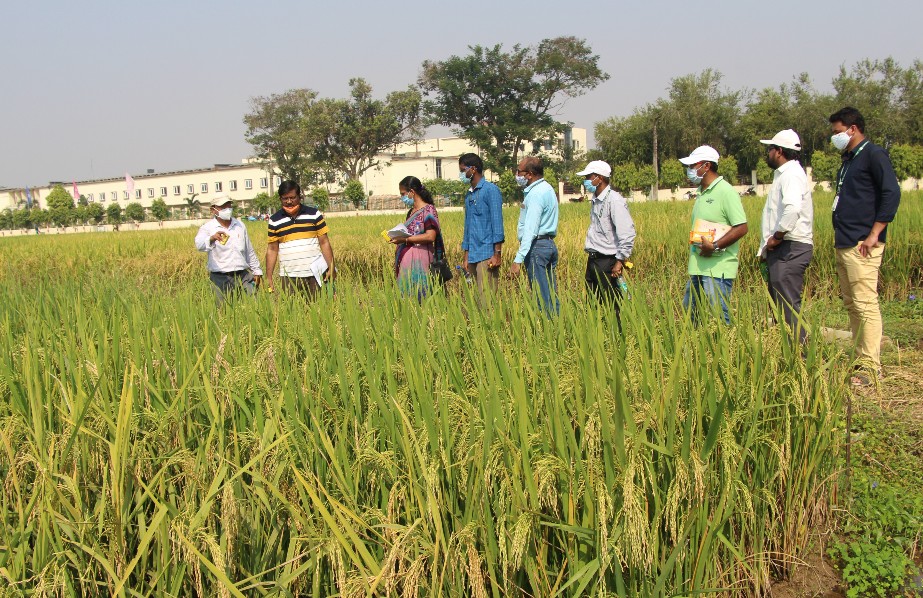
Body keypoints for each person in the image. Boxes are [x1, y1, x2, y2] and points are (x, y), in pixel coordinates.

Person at [829, 107, 901, 386]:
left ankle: (871, 367)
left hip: (863, 243)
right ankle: (860, 358)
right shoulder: (848, 159)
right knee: (852, 304)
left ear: (853, 129)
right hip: (845, 240)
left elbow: (891, 193)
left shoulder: (874, 154)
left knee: (865, 303)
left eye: (837, 132)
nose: (835, 137)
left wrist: (875, 233)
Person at [679, 145, 748, 325]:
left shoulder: (726, 192)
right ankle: (699, 349)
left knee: (719, 316)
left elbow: (741, 227)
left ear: (706, 166)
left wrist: (715, 246)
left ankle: (726, 349)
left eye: (693, 166)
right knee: (691, 313)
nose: (690, 170)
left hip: (718, 269)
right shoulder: (701, 193)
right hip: (697, 266)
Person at [757, 129, 814, 344]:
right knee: (780, 304)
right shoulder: (784, 174)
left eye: (769, 149)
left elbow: (792, 209)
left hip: (790, 247)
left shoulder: (791, 175)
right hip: (783, 247)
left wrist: (777, 236)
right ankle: (789, 351)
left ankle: (802, 355)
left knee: (787, 303)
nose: (768, 153)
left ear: (779, 151)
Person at [576, 160, 636, 316]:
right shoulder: (595, 200)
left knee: (613, 304)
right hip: (593, 259)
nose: (586, 181)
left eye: (589, 177)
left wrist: (620, 260)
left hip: (608, 261)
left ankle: (618, 336)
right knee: (593, 304)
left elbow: (627, 232)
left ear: (599, 178)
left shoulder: (614, 200)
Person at [265, 180, 335, 298]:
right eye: (285, 198)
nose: (289, 202)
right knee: (292, 313)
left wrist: (332, 267)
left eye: (292, 197)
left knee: (320, 310)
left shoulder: (314, 214)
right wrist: (269, 277)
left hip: (315, 274)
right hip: (289, 277)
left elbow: (324, 242)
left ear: (299, 197)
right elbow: (272, 249)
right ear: (280, 199)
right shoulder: (274, 220)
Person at [509, 156, 560, 316]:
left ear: (529, 174)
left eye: (519, 171)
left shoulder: (536, 194)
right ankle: (557, 327)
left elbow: (530, 229)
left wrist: (518, 259)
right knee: (550, 293)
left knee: (542, 297)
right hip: (549, 245)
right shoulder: (547, 188)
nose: (517, 174)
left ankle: (548, 331)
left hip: (537, 247)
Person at [194, 193, 263, 303]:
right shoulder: (208, 228)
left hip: (243, 275)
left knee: (254, 306)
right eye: (223, 207)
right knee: (222, 312)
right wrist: (212, 238)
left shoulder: (239, 225)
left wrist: (257, 270)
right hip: (221, 278)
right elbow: (199, 245)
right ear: (213, 210)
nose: (227, 209)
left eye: (229, 206)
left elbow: (249, 249)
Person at [390, 176, 445, 298]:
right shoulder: (411, 212)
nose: (402, 197)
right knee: (406, 295)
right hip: (406, 256)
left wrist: (405, 239)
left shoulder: (428, 210)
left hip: (421, 257)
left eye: (403, 194)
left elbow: (430, 236)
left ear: (412, 192)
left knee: (420, 292)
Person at [459, 153, 504, 298]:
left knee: (487, 301)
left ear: (473, 169)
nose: (461, 174)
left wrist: (497, 254)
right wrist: (466, 255)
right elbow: (467, 227)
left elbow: (497, 224)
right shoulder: (469, 195)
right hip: (472, 254)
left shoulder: (491, 190)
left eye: (462, 170)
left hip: (487, 253)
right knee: (473, 301)